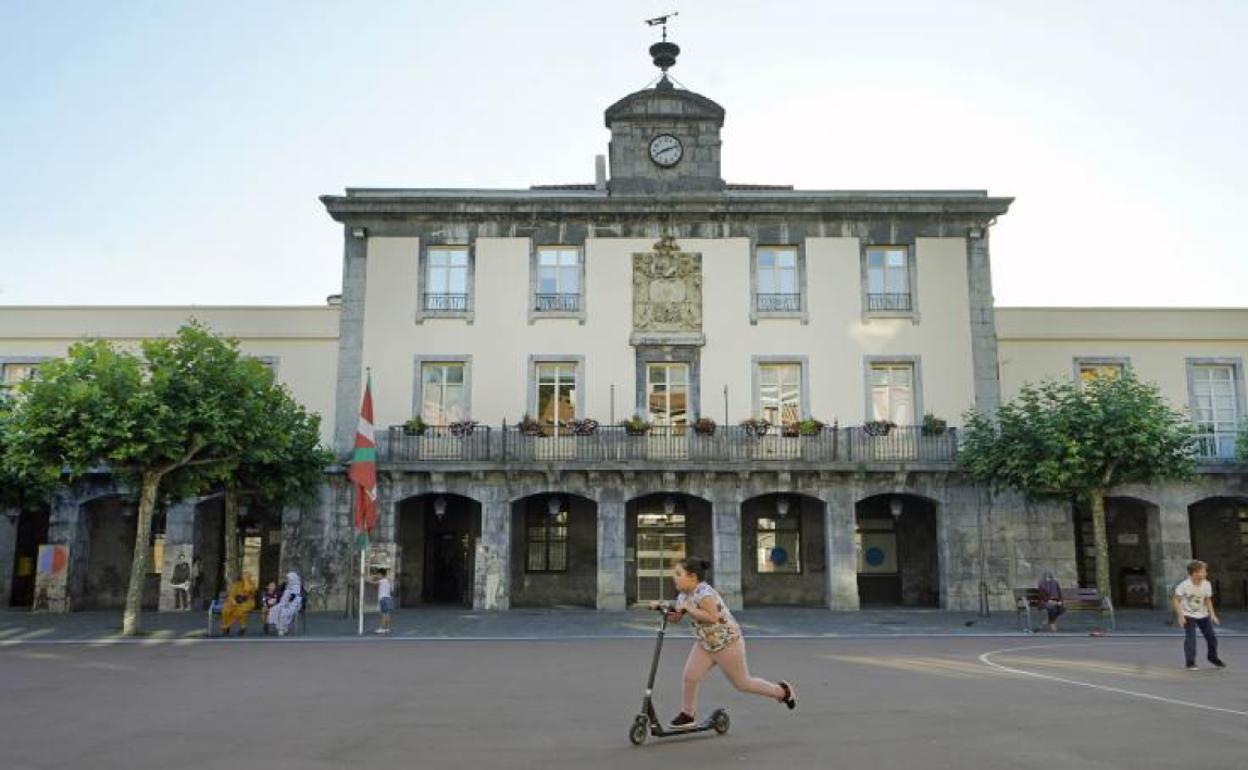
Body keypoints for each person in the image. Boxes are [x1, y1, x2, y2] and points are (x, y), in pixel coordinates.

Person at [651, 556, 796, 729]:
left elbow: (712, 617)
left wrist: (689, 608)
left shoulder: (704, 593)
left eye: (678, 573)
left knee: (742, 683)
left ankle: (782, 692)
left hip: (728, 644)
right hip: (706, 645)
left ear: (692, 577)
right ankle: (688, 715)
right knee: (690, 676)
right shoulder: (683, 596)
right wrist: (662, 608)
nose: (674, 577)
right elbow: (675, 618)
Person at [1173, 559, 1226, 671]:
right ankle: (1190, 662)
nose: (1206, 573)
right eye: (1203, 571)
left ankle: (1212, 657)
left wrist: (1213, 615)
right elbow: (1176, 600)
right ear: (1194, 573)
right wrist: (1180, 616)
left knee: (1211, 637)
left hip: (1203, 614)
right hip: (1188, 614)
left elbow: (1208, 600)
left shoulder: (1207, 584)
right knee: (1191, 638)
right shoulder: (1184, 585)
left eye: (1205, 571)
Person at [220, 572, 256, 636]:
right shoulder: (237, 584)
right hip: (235, 601)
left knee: (241, 611)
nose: (245, 577)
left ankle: (227, 626)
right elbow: (231, 594)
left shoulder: (252, 584)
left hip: (247, 602)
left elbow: (249, 590)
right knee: (226, 609)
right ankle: (226, 626)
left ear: (249, 577)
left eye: (246, 576)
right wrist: (233, 601)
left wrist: (246, 581)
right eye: (243, 575)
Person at [269, 571, 303, 636]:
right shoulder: (288, 585)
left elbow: (293, 596)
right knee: (276, 609)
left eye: (288, 578)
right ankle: (281, 627)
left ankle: (282, 629)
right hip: (284, 602)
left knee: (283, 612)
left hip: (292, 604)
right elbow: (281, 592)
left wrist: (287, 603)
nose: (287, 580)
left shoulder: (296, 586)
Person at [372, 568, 394, 635]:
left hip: (383, 599)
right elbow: (391, 590)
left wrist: (363, 578)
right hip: (388, 598)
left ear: (381, 574)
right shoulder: (388, 580)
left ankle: (382, 628)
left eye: (378, 574)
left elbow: (373, 583)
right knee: (387, 614)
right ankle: (387, 629)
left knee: (383, 615)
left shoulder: (382, 581)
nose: (377, 576)